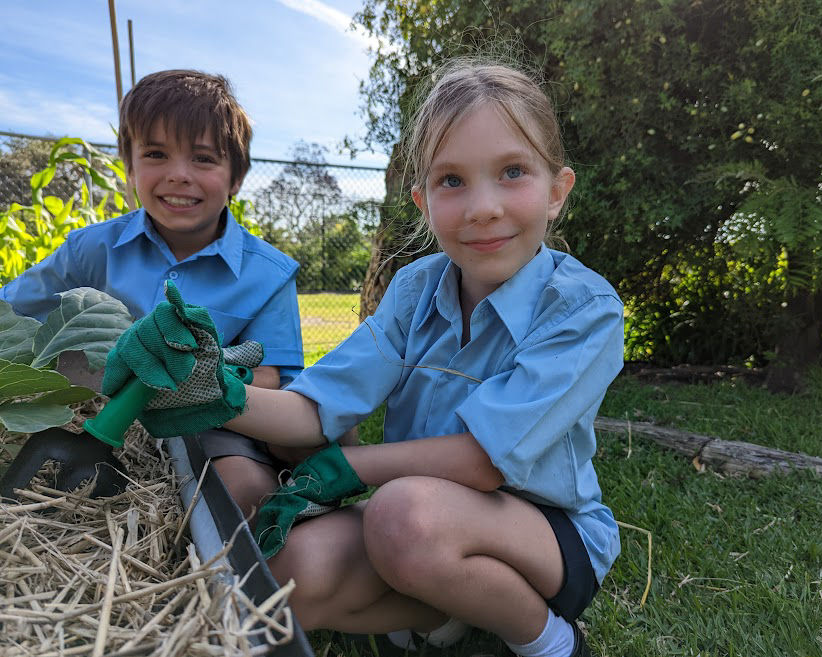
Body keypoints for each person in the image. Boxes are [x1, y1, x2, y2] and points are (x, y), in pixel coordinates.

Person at [103, 59, 624, 657]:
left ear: (557, 191)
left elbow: (484, 463)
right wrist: (215, 391)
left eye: (512, 172)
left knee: (402, 514)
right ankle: (446, 608)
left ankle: (547, 638)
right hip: (421, 520)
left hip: (548, 537)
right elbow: (313, 409)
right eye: (451, 180)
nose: (482, 207)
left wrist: (350, 469)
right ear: (423, 201)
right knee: (285, 576)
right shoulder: (415, 289)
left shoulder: (583, 308)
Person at [0, 69, 307, 518]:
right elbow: (11, 313)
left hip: (208, 420)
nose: (178, 175)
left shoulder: (269, 274)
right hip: (88, 402)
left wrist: (198, 378)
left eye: (203, 159)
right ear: (130, 166)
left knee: (244, 490)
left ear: (236, 178)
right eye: (156, 154)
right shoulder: (91, 250)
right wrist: (87, 378)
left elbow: (272, 377)